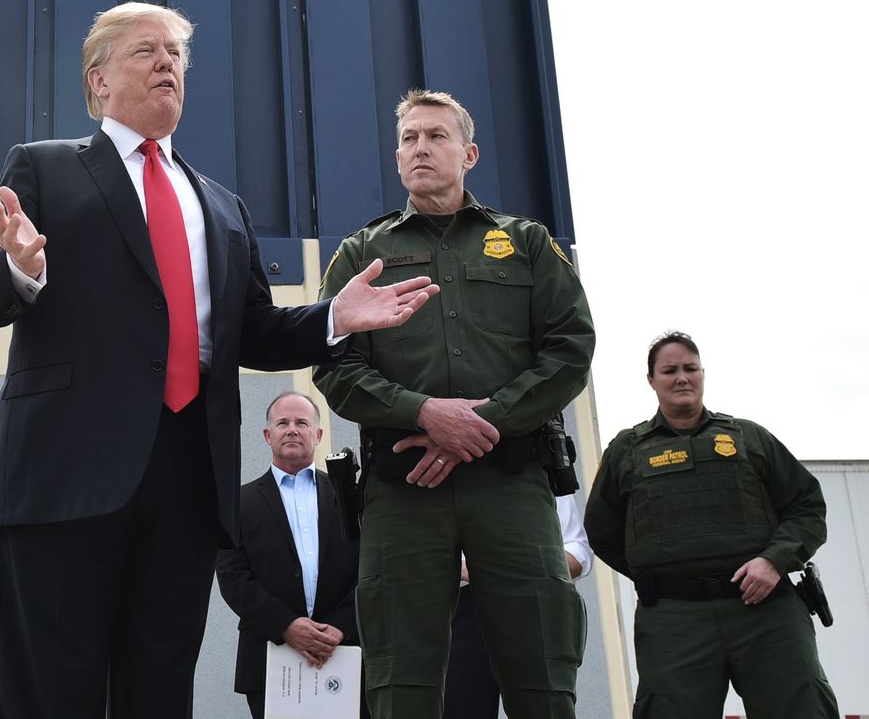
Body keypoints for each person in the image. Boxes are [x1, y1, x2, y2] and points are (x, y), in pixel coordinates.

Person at [0, 3, 439, 718]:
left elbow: (255, 331)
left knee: (160, 692)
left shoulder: (220, 205)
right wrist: (21, 268)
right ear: (99, 80)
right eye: (145, 50)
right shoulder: (43, 167)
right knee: (52, 692)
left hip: (187, 479)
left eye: (177, 54)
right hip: (63, 473)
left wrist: (334, 318)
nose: (167, 63)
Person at [313, 87, 594, 719]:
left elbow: (571, 348)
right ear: (397, 158)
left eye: (436, 136)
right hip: (405, 492)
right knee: (400, 681)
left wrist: (481, 422)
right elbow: (333, 365)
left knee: (542, 674)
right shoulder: (362, 253)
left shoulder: (525, 242)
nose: (421, 148)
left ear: (468, 154)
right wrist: (424, 412)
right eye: (409, 138)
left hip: (511, 484)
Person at [584, 331, 839, 719]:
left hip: (765, 611)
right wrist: (658, 570)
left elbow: (806, 506)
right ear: (651, 380)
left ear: (703, 373)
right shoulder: (626, 451)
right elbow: (602, 530)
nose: (681, 378)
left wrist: (774, 560)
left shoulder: (749, 437)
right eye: (669, 370)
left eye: (690, 368)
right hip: (674, 619)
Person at [216, 390, 363, 719]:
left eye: (302, 423)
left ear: (318, 435)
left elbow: (371, 568)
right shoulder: (239, 503)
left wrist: (341, 625)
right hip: (269, 656)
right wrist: (286, 625)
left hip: (345, 653)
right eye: (282, 423)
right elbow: (233, 577)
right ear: (268, 435)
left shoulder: (351, 497)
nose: (292, 429)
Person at [443, 493, 592, 718]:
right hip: (458, 609)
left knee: (545, 707)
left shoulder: (538, 471)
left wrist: (516, 567)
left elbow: (577, 552)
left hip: (528, 602)